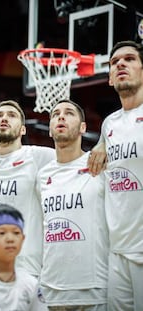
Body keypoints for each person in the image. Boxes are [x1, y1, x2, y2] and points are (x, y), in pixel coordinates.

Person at [0, 100, 55, 277]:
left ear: (23, 130)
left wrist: (102, 145)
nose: (4, 118)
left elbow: (75, 156)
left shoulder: (38, 156)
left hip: (23, 268)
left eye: (11, 116)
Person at [36, 99, 109, 309]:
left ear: (83, 128)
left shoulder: (101, 166)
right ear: (50, 130)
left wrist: (105, 142)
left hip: (93, 290)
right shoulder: (42, 176)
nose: (61, 116)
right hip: (51, 291)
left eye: (69, 113)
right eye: (55, 114)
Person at [94, 40, 143, 310]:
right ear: (111, 78)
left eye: (130, 59)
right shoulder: (109, 123)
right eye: (115, 63)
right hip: (117, 250)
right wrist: (101, 144)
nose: (121, 64)